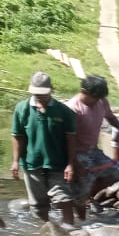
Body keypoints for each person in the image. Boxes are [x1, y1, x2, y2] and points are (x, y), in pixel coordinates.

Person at [11, 72, 78, 225]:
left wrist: (71, 164)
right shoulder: (22, 109)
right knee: (38, 206)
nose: (39, 97)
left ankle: (70, 230)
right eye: (36, 94)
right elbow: (17, 136)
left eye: (43, 94)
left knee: (63, 200)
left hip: (58, 164)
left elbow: (71, 140)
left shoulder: (65, 112)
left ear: (51, 90)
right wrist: (15, 161)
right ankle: (47, 235)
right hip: (32, 164)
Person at [66, 74, 119, 220]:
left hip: (94, 150)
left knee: (116, 174)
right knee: (84, 182)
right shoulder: (73, 108)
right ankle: (81, 220)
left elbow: (110, 117)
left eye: (100, 98)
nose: (98, 101)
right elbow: (66, 139)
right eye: (95, 98)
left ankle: (88, 198)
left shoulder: (102, 102)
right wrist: (72, 164)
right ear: (84, 92)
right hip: (77, 152)